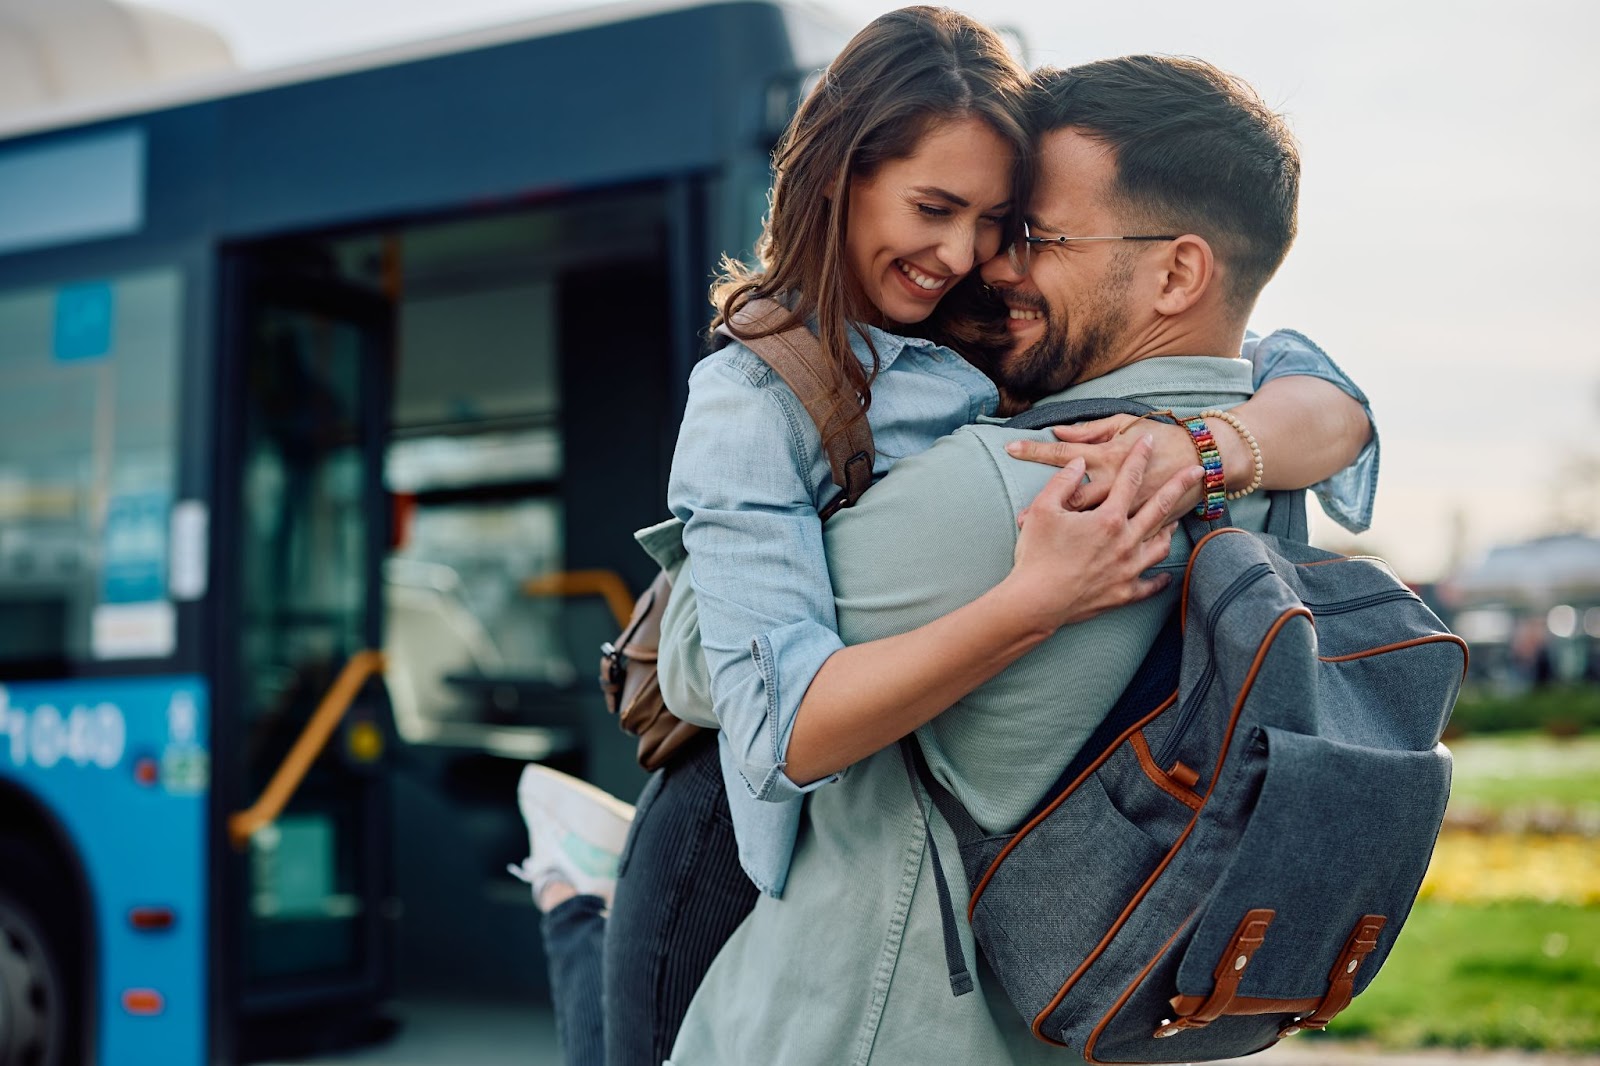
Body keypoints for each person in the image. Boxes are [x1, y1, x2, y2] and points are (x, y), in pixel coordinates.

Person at [514, 11, 1376, 1065]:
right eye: (945, 211)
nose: (980, 261)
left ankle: (573, 894)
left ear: (1175, 274)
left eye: (1022, 231)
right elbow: (728, 682)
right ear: (839, 177)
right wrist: (1055, 580)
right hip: (783, 852)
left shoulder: (1044, 441)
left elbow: (699, 658)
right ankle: (571, 895)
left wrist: (1205, 448)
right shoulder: (764, 397)